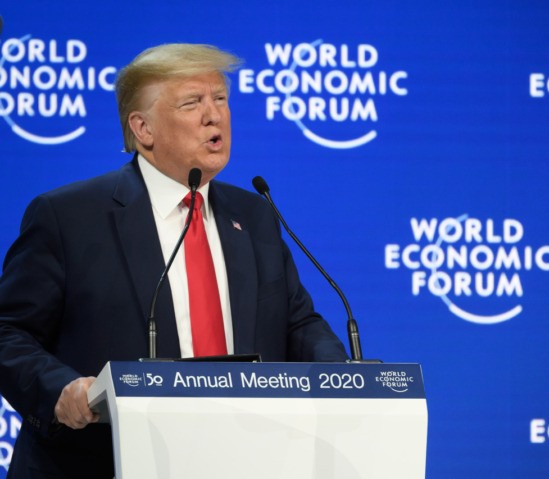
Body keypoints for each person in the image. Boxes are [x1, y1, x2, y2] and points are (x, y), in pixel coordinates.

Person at [0, 43, 348, 478]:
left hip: (240, 460)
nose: (214, 115)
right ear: (143, 128)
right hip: (100, 461)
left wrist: (342, 377)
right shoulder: (69, 216)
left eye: (220, 98)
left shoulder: (254, 214)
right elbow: (9, 332)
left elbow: (297, 324)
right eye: (192, 103)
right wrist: (61, 390)